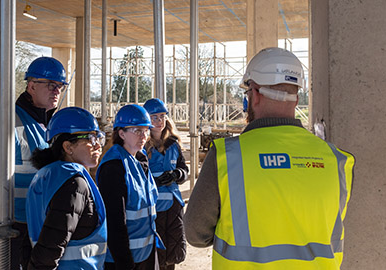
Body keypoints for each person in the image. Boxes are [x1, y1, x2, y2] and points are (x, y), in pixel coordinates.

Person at [184, 47, 355, 269]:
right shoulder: (338, 161)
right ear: (296, 97)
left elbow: (196, 234)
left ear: (254, 94)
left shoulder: (227, 157)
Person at [0, 56, 68, 269]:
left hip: (38, 225)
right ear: (31, 86)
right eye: (50, 85)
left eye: (60, 86)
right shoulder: (6, 123)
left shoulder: (48, 126)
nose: (56, 90)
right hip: (12, 229)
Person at [26, 107, 107, 270]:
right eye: (91, 138)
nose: (98, 145)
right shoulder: (73, 185)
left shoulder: (48, 174)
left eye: (99, 137)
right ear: (68, 147)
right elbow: (49, 248)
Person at [96, 104, 164, 270]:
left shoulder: (140, 160)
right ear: (121, 133)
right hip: (124, 259)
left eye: (145, 131)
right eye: (137, 131)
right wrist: (124, 263)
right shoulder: (113, 167)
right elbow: (115, 222)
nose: (143, 136)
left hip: (147, 252)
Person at [143, 98, 188, 270]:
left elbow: (183, 169)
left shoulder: (173, 144)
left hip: (173, 206)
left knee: (172, 252)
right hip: (153, 208)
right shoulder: (142, 147)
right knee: (156, 253)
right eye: (154, 117)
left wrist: (177, 174)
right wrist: (154, 181)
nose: (159, 121)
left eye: (162, 116)